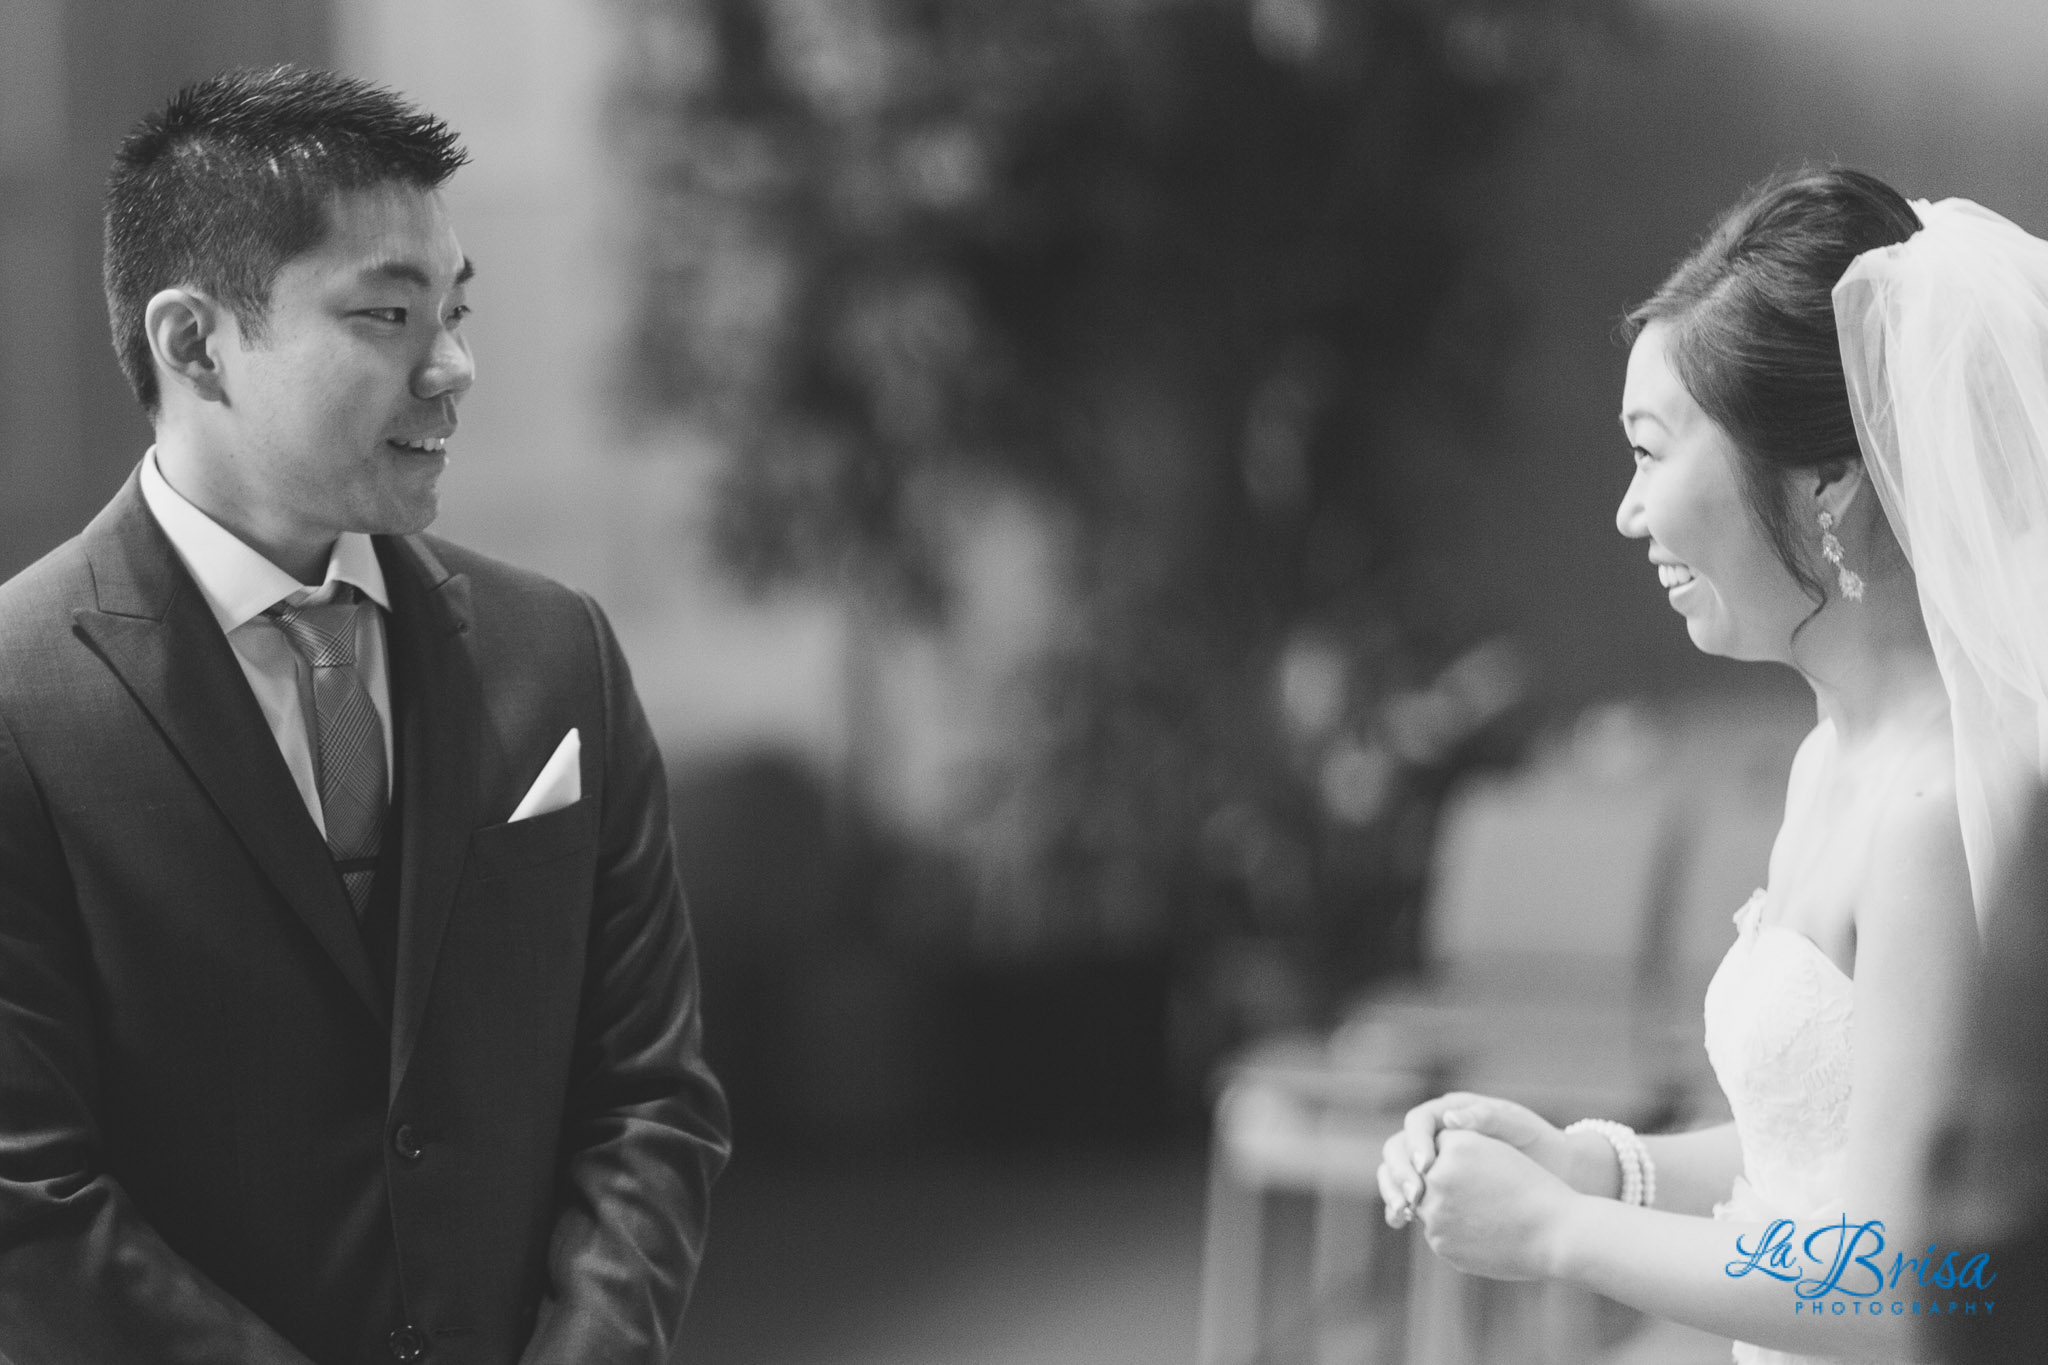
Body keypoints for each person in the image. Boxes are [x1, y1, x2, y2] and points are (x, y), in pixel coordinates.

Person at [0, 66, 730, 1363]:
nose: (452, 368)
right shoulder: (17, 697)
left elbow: (647, 1098)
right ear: (193, 344)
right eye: (386, 315)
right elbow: (27, 1194)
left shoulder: (555, 653)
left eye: (454, 312)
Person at [1377, 167, 2048, 1362]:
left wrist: (1555, 1234)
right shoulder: (1829, 760)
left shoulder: (1928, 812)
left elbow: (1904, 1284)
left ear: (1827, 477)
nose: (1627, 514)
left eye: (1649, 453)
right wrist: (1589, 1164)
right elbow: (1827, 1145)